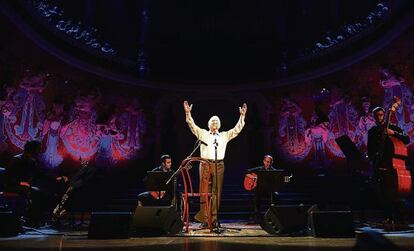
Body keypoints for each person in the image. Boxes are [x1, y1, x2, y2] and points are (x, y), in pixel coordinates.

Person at [183, 100, 247, 227]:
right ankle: (204, 219)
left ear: (220, 124)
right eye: (213, 120)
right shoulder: (203, 133)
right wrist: (188, 113)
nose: (215, 122)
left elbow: (237, 129)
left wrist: (242, 116)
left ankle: (213, 219)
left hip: (219, 165)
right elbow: (192, 125)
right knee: (204, 191)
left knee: (216, 192)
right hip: (205, 164)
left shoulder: (224, 135)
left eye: (217, 121)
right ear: (208, 124)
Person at [4, 140, 67, 227]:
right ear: (32, 149)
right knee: (37, 193)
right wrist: (20, 183)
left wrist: (56, 178)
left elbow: (40, 174)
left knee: (43, 193)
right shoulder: (17, 159)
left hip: (24, 186)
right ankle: (31, 219)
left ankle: (34, 219)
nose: (40, 151)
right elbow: (8, 177)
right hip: (12, 186)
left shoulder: (31, 161)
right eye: (38, 149)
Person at [367, 106, 410, 224]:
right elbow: (370, 150)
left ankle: (400, 217)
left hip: (394, 166)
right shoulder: (372, 131)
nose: (379, 117)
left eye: (381, 115)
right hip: (380, 165)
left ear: (384, 115)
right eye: (376, 115)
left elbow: (407, 139)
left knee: (397, 192)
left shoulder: (393, 128)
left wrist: (394, 133)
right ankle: (388, 217)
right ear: (374, 117)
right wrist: (375, 157)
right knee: (381, 193)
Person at [246, 155, 277, 222]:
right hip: (260, 190)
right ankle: (256, 215)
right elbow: (247, 171)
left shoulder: (274, 171)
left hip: (269, 190)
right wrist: (253, 178)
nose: (268, 164)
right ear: (264, 161)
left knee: (276, 195)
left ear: (272, 162)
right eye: (267, 162)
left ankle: (275, 215)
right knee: (256, 193)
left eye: (270, 162)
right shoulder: (259, 169)